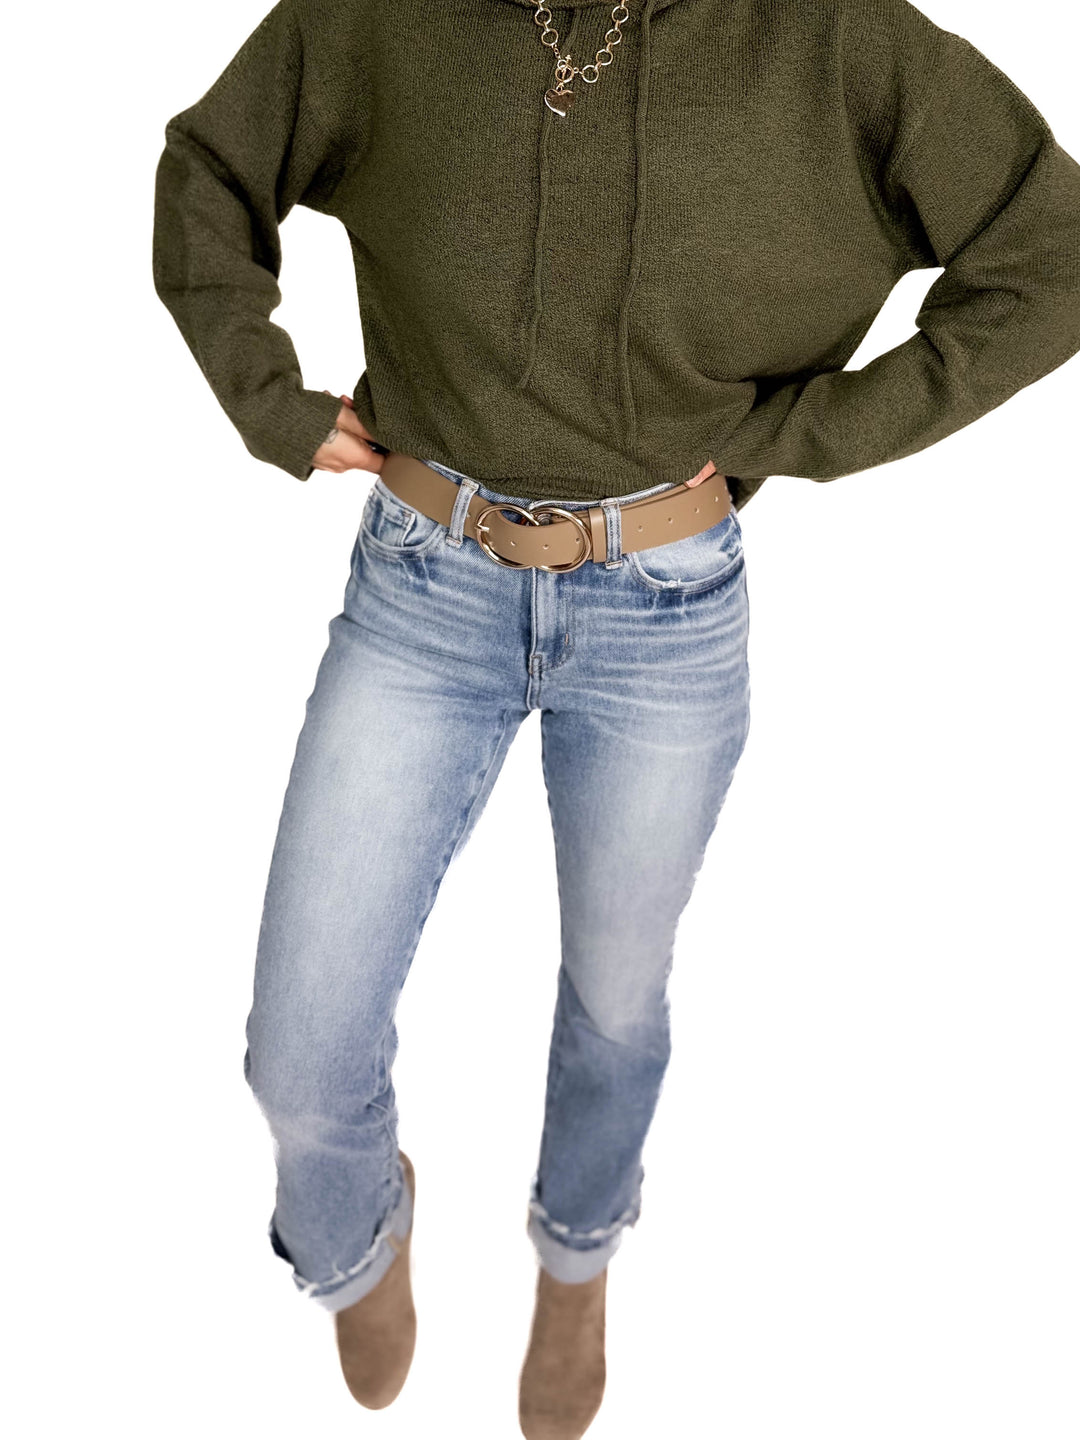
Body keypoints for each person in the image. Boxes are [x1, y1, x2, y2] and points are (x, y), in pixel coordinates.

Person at [152, 1, 1080, 1435]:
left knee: (615, 996)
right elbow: (210, 164)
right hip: (425, 584)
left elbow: (1052, 250)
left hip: (666, 613)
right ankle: (353, 1237)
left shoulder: (837, 40)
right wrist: (266, 397)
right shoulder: (387, 17)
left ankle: (576, 1258)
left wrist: (801, 435)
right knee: (299, 1050)